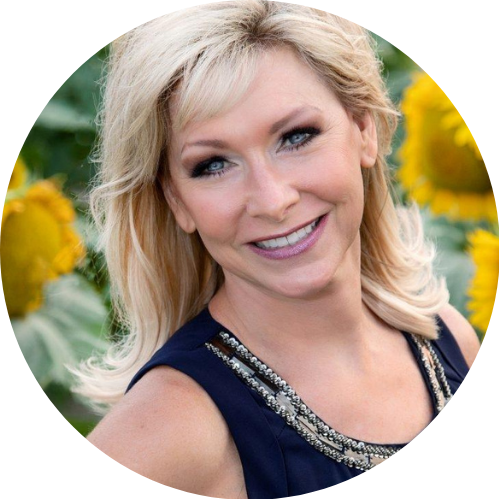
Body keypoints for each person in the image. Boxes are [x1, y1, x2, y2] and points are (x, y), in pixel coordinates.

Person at [76, 1, 480, 497]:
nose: (272, 200)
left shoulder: (448, 340)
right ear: (176, 200)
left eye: (296, 136)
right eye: (213, 164)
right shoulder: (167, 432)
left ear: (364, 128)